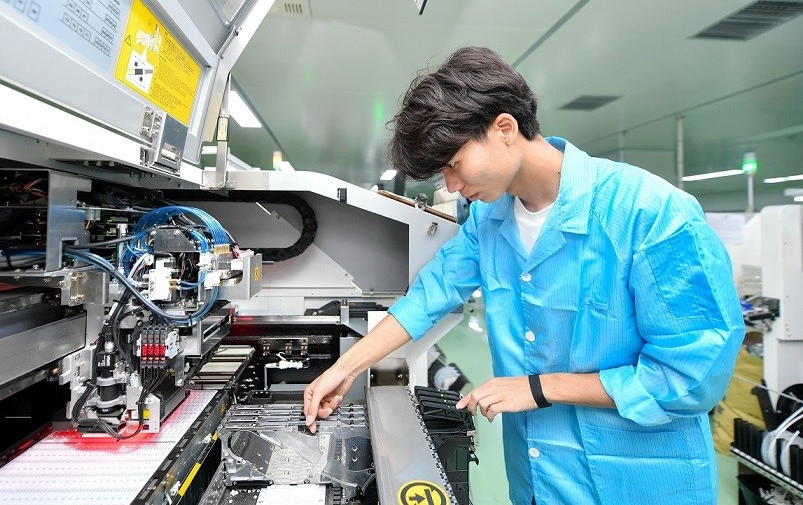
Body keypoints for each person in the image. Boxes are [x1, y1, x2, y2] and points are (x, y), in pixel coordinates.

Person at [302, 46, 745, 504]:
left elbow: (692, 377)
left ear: (505, 128)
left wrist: (541, 387)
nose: (451, 186)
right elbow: (431, 294)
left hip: (637, 484)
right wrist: (345, 369)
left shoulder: (651, 215)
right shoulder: (488, 220)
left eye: (453, 164)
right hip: (537, 480)